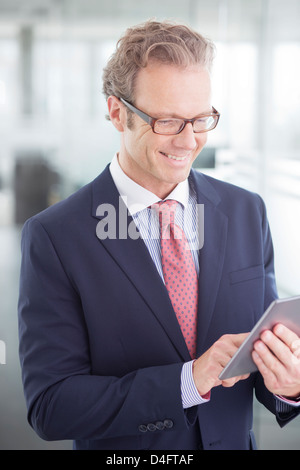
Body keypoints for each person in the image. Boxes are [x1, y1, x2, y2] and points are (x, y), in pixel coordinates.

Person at [18, 20, 300, 451]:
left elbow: (259, 363)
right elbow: (52, 406)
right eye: (167, 120)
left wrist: (289, 385)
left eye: (201, 118)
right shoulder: (55, 237)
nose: (189, 140)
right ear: (117, 112)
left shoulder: (246, 211)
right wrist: (187, 381)